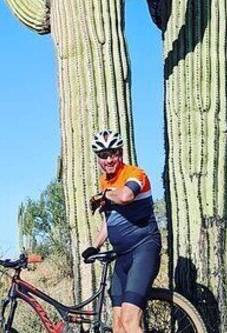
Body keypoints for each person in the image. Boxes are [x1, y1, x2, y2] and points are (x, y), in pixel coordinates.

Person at [81, 129, 161, 333]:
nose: (108, 159)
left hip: (143, 250)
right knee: (118, 327)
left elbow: (125, 196)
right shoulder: (104, 182)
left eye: (113, 153)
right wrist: (94, 245)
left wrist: (105, 195)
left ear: (121, 152)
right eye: (102, 155)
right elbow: (111, 220)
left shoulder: (135, 174)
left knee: (129, 322)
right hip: (122, 258)